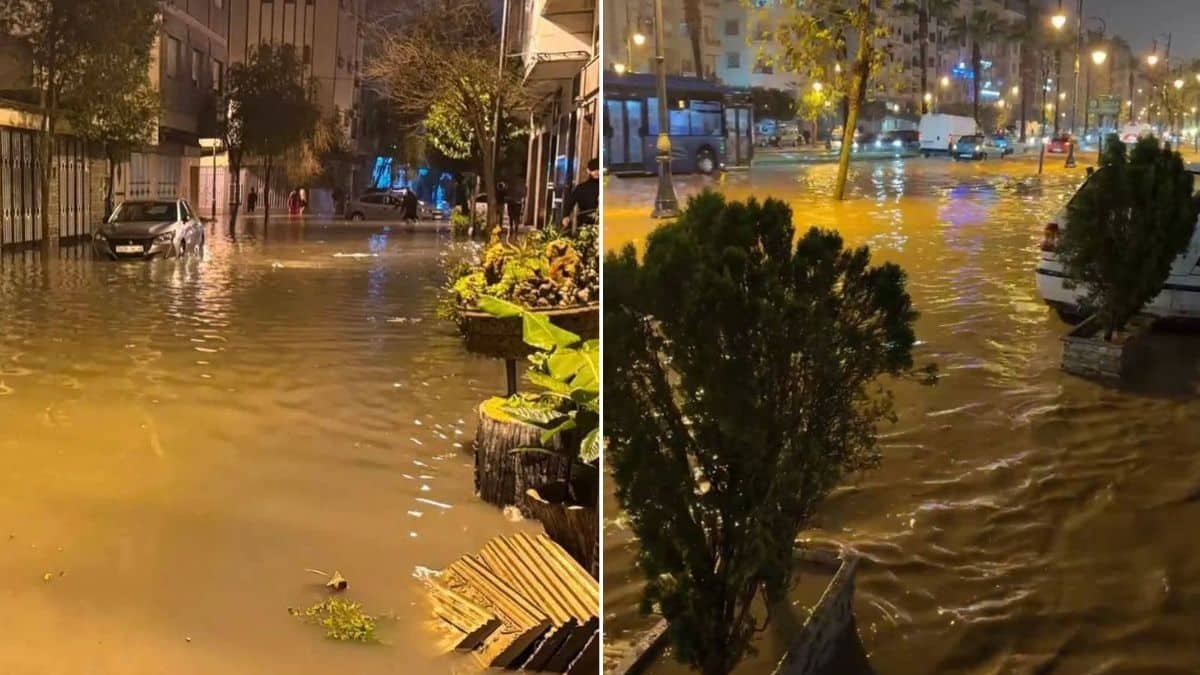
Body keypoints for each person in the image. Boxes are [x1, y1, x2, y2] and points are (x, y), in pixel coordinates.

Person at [561, 158, 599, 228]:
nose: (596, 172)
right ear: (588, 171)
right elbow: (570, 202)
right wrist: (566, 216)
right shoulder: (581, 188)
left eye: (598, 169)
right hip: (585, 225)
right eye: (593, 169)